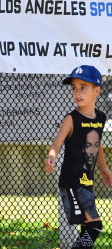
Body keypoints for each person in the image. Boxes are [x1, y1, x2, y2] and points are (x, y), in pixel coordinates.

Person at [45, 65, 112, 248]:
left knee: (86, 229)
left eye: (83, 87)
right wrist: (52, 157)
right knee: (95, 226)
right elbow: (56, 144)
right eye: (74, 87)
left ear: (97, 90)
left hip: (87, 182)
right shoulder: (71, 119)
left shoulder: (100, 117)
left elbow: (97, 145)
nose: (77, 92)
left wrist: (104, 168)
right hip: (72, 182)